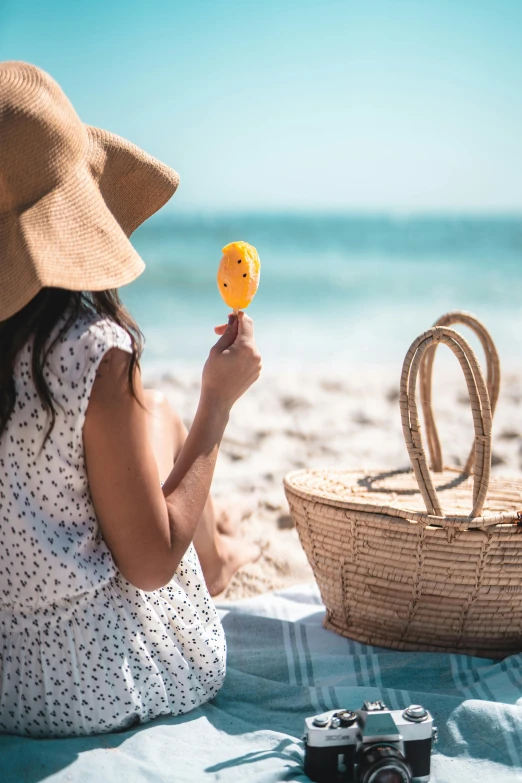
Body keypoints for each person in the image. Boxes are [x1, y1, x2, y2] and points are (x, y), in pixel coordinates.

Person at [0, 61, 261, 737]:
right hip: (85, 683)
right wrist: (219, 403)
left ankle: (217, 550)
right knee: (177, 417)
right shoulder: (92, 349)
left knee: (156, 418)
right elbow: (147, 566)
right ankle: (218, 557)